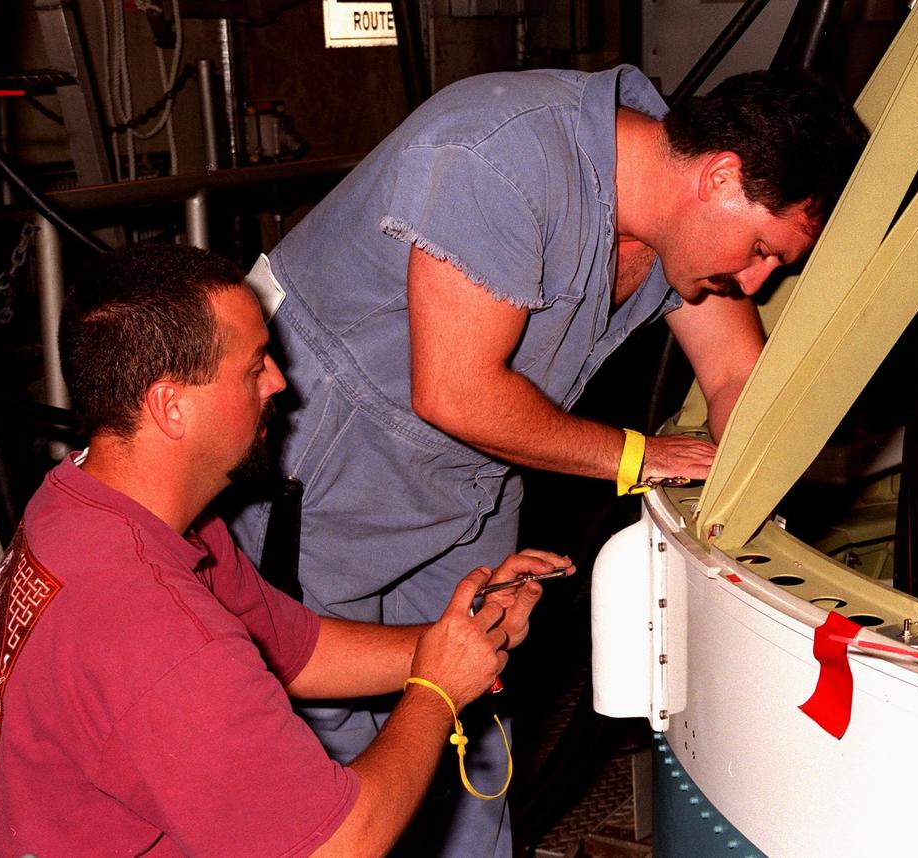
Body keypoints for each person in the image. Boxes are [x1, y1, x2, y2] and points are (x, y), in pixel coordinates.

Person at [233, 65, 863, 855]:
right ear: (721, 176)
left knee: (473, 705)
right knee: (329, 749)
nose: (757, 279)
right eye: (763, 249)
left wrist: (745, 517)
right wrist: (639, 456)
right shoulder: (501, 158)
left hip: (470, 484)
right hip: (328, 472)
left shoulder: (671, 206)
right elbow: (456, 393)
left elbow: (736, 376)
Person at [0, 243, 566, 856]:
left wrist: (463, 637)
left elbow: (295, 650)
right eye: (253, 365)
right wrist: (435, 692)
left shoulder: (93, 502)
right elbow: (338, 847)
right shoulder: (156, 632)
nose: (279, 382)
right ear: (170, 406)